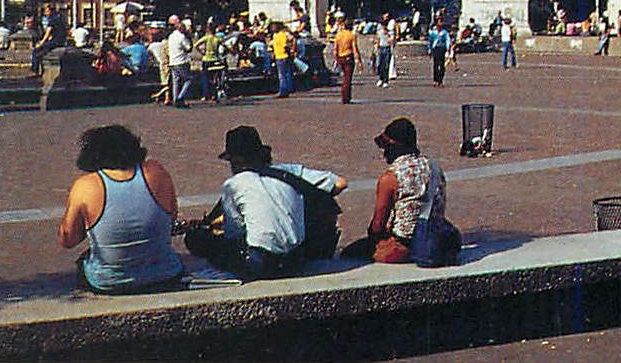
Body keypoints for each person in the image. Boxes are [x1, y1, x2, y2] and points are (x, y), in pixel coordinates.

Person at [183, 125, 347, 280]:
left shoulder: (233, 184)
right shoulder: (287, 172)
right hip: (296, 259)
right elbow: (340, 183)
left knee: (197, 240)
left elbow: (235, 233)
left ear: (236, 161)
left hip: (261, 263)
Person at [59, 124, 183, 294]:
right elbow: (172, 216)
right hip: (165, 274)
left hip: (110, 282)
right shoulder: (156, 171)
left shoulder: (86, 185)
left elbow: (67, 240)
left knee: (85, 260)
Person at [340, 117, 457, 266]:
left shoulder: (390, 178)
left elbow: (377, 226)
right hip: (435, 239)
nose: (384, 154)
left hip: (404, 246)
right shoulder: (434, 167)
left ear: (394, 147)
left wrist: (377, 237)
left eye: (386, 147)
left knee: (350, 253)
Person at [332, 16, 363, 104]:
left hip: (340, 57)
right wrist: (359, 60)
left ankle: (345, 96)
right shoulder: (351, 36)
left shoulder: (339, 35)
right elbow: (355, 49)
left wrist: (336, 59)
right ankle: (346, 97)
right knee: (348, 78)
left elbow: (335, 49)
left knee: (344, 77)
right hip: (348, 57)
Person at [165, 16, 194, 108]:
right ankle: (180, 97)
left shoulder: (171, 36)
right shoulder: (182, 37)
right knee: (188, 80)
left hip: (172, 61)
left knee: (175, 81)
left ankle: (174, 98)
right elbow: (188, 48)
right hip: (181, 61)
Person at [270, 21, 296, 98]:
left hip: (283, 56)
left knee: (282, 75)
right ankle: (288, 88)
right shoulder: (275, 35)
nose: (272, 28)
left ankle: (283, 90)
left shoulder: (282, 35)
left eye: (274, 26)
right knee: (284, 74)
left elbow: (285, 46)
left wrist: (290, 52)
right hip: (278, 56)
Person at [372, 15, 395, 88]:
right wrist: (376, 48)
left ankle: (385, 80)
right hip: (380, 48)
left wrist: (388, 35)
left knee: (386, 65)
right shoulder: (379, 32)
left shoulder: (390, 32)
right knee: (379, 64)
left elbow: (392, 41)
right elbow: (377, 40)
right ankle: (380, 78)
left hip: (387, 48)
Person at [427, 21, 451, 86]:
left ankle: (440, 80)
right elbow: (430, 41)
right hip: (435, 49)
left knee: (442, 65)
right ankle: (435, 80)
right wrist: (429, 50)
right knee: (436, 65)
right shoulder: (433, 33)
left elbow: (447, 40)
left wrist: (448, 48)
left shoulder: (444, 33)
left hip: (442, 49)